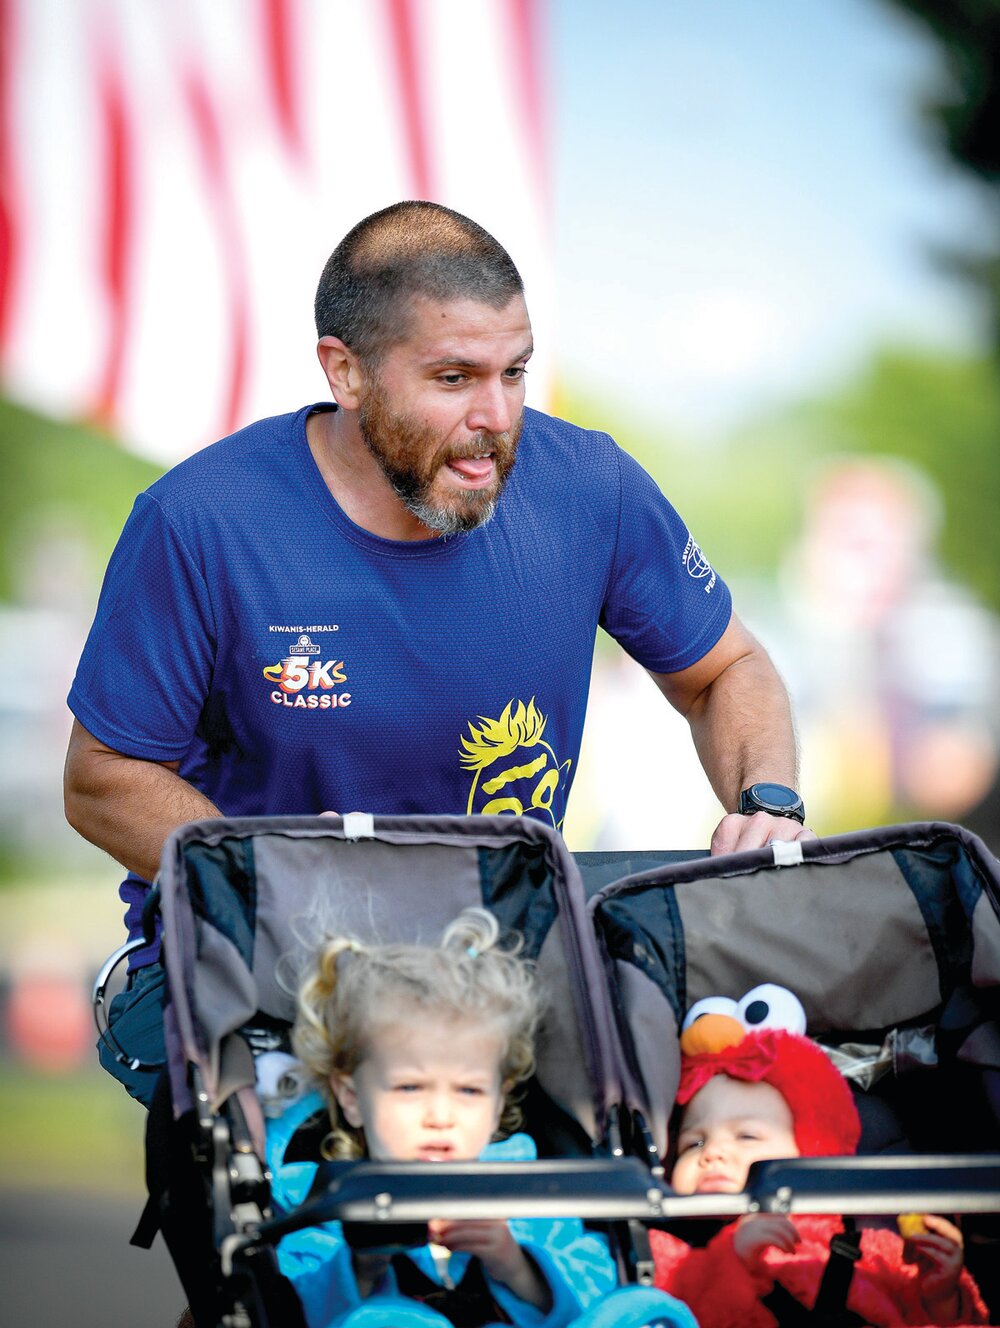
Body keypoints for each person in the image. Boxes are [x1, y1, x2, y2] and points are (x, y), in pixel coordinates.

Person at [64, 199, 814, 1105]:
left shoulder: (591, 488)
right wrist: (298, 895)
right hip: (263, 976)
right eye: (455, 377)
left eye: (516, 372)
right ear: (346, 371)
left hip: (498, 972)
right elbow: (102, 776)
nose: (496, 417)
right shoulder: (201, 522)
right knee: (323, 1238)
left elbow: (727, 668)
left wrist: (768, 803)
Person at [267, 906, 704, 1328]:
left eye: (468, 1091)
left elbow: (596, 1290)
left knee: (642, 1314)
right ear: (349, 1095)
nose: (440, 1116)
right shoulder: (319, 1195)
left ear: (498, 1104)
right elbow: (298, 1311)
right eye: (410, 1087)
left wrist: (515, 1263)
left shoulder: (524, 1183)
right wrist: (365, 1260)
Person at [649, 1017, 1000, 1328]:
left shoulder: (863, 1239)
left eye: (746, 1138)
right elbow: (676, 1326)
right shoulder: (677, 1250)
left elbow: (928, 1326)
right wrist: (732, 1258)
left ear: (810, 1152)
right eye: (695, 1142)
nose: (714, 1155)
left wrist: (939, 1292)